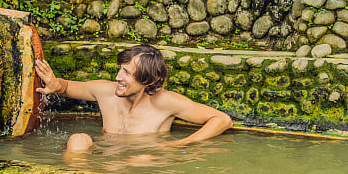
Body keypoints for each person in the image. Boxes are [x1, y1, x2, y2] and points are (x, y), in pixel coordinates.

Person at [35, 44, 233, 152]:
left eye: (127, 73)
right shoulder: (105, 91)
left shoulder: (165, 102)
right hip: (105, 159)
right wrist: (55, 84)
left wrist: (178, 144)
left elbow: (222, 120)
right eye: (121, 69)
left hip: (142, 165)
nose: (118, 77)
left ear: (147, 80)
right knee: (78, 139)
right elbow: (67, 87)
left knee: (144, 159)